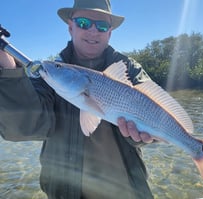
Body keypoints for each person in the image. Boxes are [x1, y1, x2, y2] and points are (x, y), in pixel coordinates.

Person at [0, 0, 155, 198]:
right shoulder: (50, 74)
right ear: (70, 27)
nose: (93, 31)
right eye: (83, 23)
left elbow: (157, 118)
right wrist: (7, 69)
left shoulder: (130, 70)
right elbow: (24, 127)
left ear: (110, 32)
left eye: (102, 26)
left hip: (127, 190)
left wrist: (141, 138)